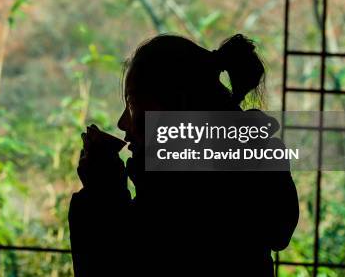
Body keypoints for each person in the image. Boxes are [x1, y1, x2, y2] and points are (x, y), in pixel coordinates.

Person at [68, 33, 299, 276]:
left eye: (133, 104)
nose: (122, 123)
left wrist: (101, 196)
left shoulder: (177, 199)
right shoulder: (243, 177)